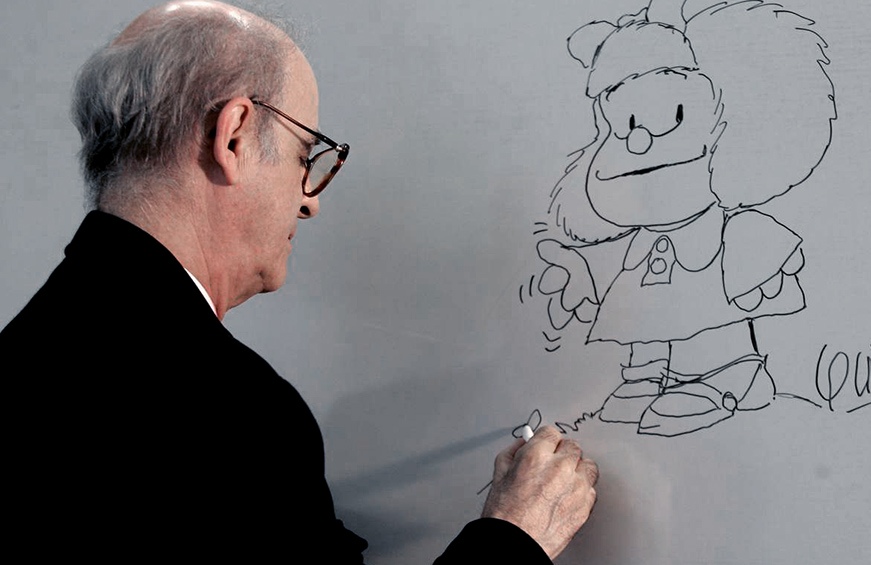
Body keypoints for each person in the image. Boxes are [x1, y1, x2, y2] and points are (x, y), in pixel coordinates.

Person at [0, 1, 598, 561]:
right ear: (233, 137)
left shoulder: (31, 343)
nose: (309, 202)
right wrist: (515, 536)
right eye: (303, 157)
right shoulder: (233, 413)